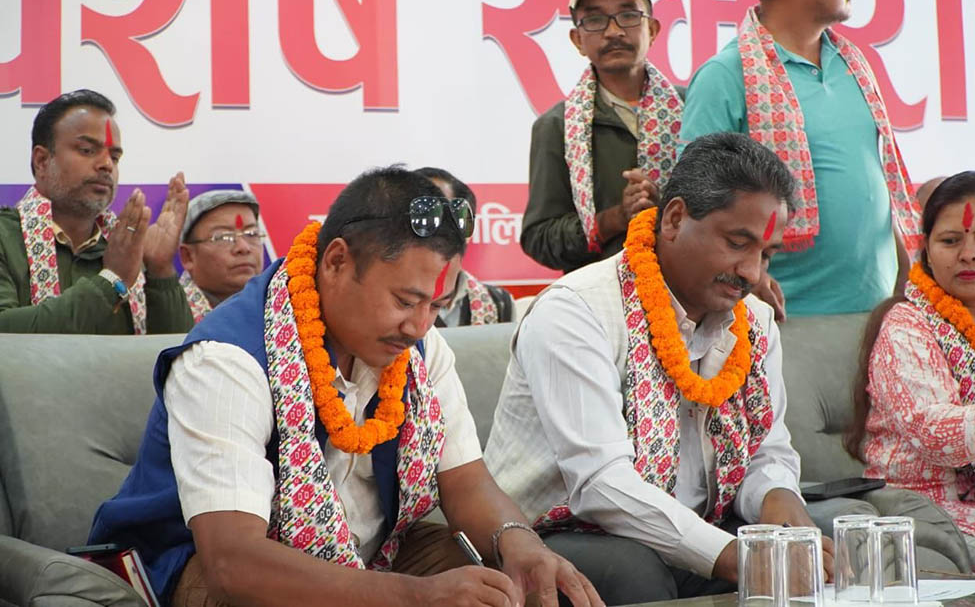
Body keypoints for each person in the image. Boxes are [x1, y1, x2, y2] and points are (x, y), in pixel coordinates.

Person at [89, 167, 601, 607]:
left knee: (512, 585)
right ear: (336, 261)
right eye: (405, 301)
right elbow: (232, 563)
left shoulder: (419, 347)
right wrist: (414, 597)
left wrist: (519, 542)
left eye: (436, 306)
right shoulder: (227, 359)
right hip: (203, 565)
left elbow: (465, 482)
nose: (420, 326)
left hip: (375, 554)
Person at [485, 132, 833, 604]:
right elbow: (602, 484)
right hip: (560, 535)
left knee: (821, 541)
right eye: (738, 243)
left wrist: (777, 497)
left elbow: (766, 449)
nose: (752, 272)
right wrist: (737, 556)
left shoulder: (755, 321)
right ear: (674, 219)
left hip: (700, 527)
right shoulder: (578, 311)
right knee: (634, 572)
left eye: (766, 254)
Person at [680, 0, 922, 318]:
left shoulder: (853, 65)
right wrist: (750, 271)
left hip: (880, 312)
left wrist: (906, 269)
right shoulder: (724, 76)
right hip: (785, 317)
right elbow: (695, 203)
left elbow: (873, 182)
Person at [845, 171, 975, 576]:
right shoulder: (906, 325)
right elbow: (935, 434)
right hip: (925, 507)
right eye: (951, 241)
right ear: (927, 251)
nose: (969, 254)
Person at [520, 0, 684, 274]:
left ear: (652, 29)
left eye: (628, 15)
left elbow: (725, 206)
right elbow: (539, 238)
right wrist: (615, 219)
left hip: (690, 289)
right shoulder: (557, 126)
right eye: (595, 20)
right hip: (601, 295)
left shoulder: (691, 108)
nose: (613, 31)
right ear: (577, 40)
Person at [0, 88, 193, 334]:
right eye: (87, 150)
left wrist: (160, 270)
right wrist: (111, 280)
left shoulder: (125, 247)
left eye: (115, 157)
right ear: (42, 161)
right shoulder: (5, 236)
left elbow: (177, 351)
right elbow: (5, 334)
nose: (106, 165)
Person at [413, 167, 515, 326]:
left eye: (446, 218)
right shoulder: (382, 299)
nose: (436, 229)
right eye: (424, 216)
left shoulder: (499, 302)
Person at [178, 189, 265, 322]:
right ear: (188, 256)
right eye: (223, 237)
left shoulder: (280, 310)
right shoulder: (170, 316)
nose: (243, 248)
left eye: (252, 234)